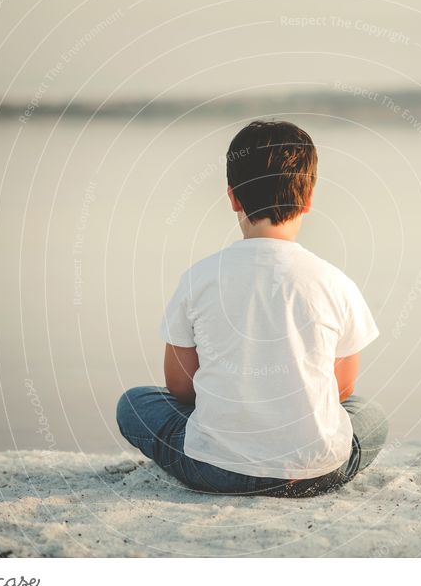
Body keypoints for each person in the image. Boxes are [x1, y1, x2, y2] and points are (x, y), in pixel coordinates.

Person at [116, 120, 388, 497]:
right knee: (370, 416)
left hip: (215, 469)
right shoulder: (335, 282)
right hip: (316, 471)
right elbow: (341, 389)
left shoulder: (199, 278)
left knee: (134, 403)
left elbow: (179, 388)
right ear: (308, 200)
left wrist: (236, 402)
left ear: (232, 197)